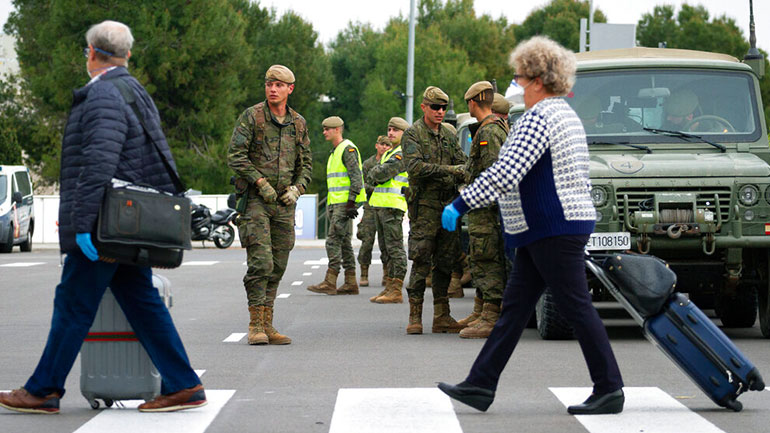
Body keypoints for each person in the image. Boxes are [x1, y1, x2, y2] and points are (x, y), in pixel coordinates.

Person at [0, 21, 206, 414]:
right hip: (126, 224)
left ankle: (43, 390)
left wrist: (80, 225)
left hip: (106, 226)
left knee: (74, 303)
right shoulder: (134, 90)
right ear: (127, 55)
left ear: (92, 53)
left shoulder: (103, 95)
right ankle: (184, 384)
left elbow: (97, 163)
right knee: (141, 300)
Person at [437, 36, 624, 415]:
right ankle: (480, 383)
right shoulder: (565, 114)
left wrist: (460, 203)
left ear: (539, 79)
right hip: (552, 226)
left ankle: (610, 388)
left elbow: (506, 172)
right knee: (515, 309)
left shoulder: (538, 118)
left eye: (521, 78)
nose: (517, 85)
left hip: (552, 226)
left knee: (576, 307)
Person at [228, 64, 313, 346]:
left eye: (278, 85)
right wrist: (259, 182)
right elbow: (236, 156)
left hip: (284, 204)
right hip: (255, 200)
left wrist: (298, 189)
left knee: (278, 264)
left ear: (290, 89)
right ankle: (255, 324)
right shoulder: (252, 117)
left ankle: (268, 323)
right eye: (268, 84)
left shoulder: (298, 123)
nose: (272, 89)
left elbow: (306, 164)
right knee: (261, 262)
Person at [401, 86, 468, 334]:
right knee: (421, 260)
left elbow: (463, 160)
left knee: (445, 261)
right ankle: (415, 316)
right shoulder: (412, 135)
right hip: (425, 208)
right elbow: (415, 168)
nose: (440, 112)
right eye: (435, 107)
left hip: (448, 205)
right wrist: (450, 171)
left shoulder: (448, 135)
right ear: (424, 107)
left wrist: (459, 171)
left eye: (442, 108)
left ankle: (442, 315)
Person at [456, 81, 509, 340]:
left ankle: (491, 317)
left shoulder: (488, 132)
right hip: (483, 212)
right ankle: (482, 312)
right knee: (481, 261)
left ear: (472, 102)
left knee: (488, 261)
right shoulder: (490, 129)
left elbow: (493, 175)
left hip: (487, 213)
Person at [307, 116, 366, 296]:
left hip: (344, 203)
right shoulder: (336, 151)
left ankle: (330, 280)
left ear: (338, 130)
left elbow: (356, 177)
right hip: (337, 202)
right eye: (324, 129)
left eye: (327, 129)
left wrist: (351, 202)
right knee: (344, 242)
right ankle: (350, 282)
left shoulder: (346, 149)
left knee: (332, 240)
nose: (324, 132)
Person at [367, 116, 410, 298]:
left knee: (395, 249)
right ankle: (391, 285)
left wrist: (375, 172)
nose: (390, 133)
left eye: (395, 130)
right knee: (386, 249)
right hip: (381, 206)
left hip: (393, 207)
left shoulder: (403, 152)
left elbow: (381, 172)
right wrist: (375, 173)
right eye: (389, 129)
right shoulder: (389, 153)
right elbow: (374, 175)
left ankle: (396, 289)